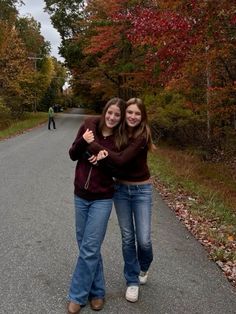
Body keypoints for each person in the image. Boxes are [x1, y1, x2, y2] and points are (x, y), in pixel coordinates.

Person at [85, 98, 154, 303]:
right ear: (125, 115)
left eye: (137, 113)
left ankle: (144, 266)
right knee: (127, 237)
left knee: (144, 239)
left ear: (143, 117)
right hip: (121, 190)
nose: (133, 116)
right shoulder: (119, 131)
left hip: (142, 191)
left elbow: (122, 160)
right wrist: (91, 136)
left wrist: (95, 147)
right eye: (129, 113)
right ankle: (131, 280)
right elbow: (93, 120)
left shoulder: (142, 136)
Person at [67, 97, 126, 314]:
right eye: (109, 113)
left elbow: (120, 171)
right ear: (104, 112)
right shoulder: (88, 128)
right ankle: (98, 291)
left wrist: (104, 160)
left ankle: (77, 295)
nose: (112, 117)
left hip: (102, 198)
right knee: (86, 247)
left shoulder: (121, 140)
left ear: (120, 119)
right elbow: (73, 154)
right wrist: (84, 141)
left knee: (90, 247)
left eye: (116, 115)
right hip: (80, 195)